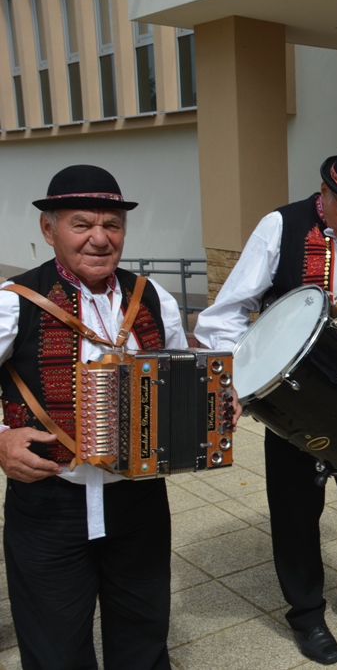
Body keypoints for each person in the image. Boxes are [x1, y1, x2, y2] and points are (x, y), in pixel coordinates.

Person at [194, 151, 337, 665]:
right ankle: (306, 614)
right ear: (324, 195)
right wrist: (244, 376)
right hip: (295, 394)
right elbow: (226, 314)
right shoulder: (282, 227)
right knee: (296, 510)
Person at [0, 165, 189, 668]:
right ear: (49, 230)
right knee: (56, 651)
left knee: (144, 638)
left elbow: (184, 376)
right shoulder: (14, 303)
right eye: (82, 224)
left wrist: (216, 405)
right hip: (49, 501)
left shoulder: (153, 297)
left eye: (112, 225)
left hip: (140, 499)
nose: (100, 239)